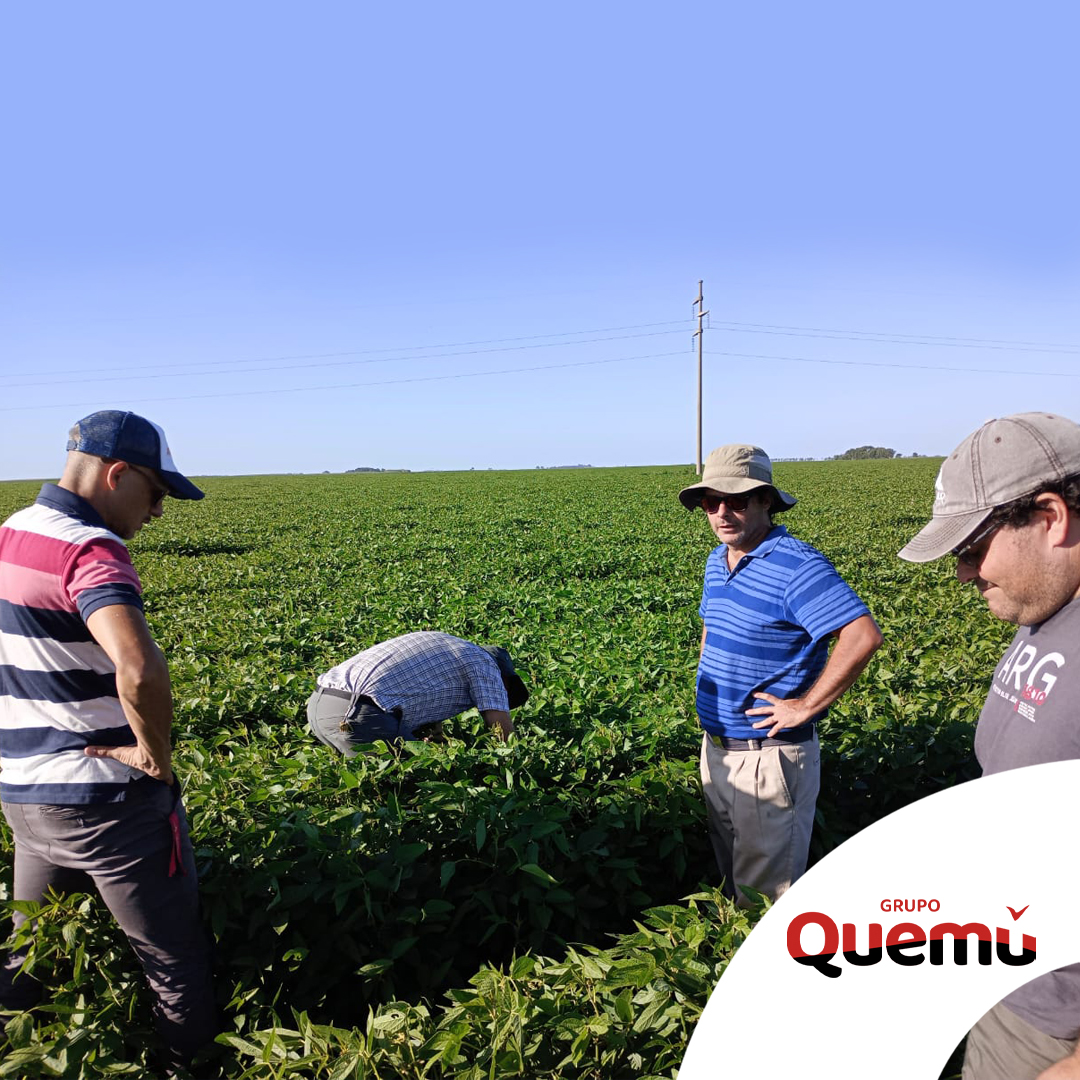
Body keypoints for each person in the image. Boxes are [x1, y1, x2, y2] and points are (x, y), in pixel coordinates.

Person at [0, 410, 215, 1072]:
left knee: (30, 951)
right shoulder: (89, 550)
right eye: (155, 495)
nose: (157, 513)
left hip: (24, 794)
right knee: (172, 956)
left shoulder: (11, 534)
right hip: (106, 803)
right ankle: (193, 1067)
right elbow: (140, 668)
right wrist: (154, 757)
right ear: (117, 473)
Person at [899, 411, 1080, 1080]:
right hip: (1010, 974)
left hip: (1056, 1031)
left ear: (1051, 517)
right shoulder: (1047, 606)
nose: (962, 574)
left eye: (972, 549)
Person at [679, 444, 882, 903]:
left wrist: (806, 706)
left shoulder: (797, 565)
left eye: (737, 501)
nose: (722, 513)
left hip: (767, 758)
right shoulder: (718, 560)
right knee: (733, 880)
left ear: (765, 501)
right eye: (712, 502)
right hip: (718, 749)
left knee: (765, 901)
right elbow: (712, 625)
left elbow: (862, 635)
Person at [307, 631, 528, 754]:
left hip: (319, 706)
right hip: (361, 714)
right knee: (410, 788)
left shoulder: (452, 648)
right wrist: (518, 762)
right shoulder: (485, 663)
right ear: (503, 677)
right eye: (504, 692)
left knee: (365, 790)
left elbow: (426, 707)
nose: (501, 697)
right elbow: (501, 731)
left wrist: (437, 740)